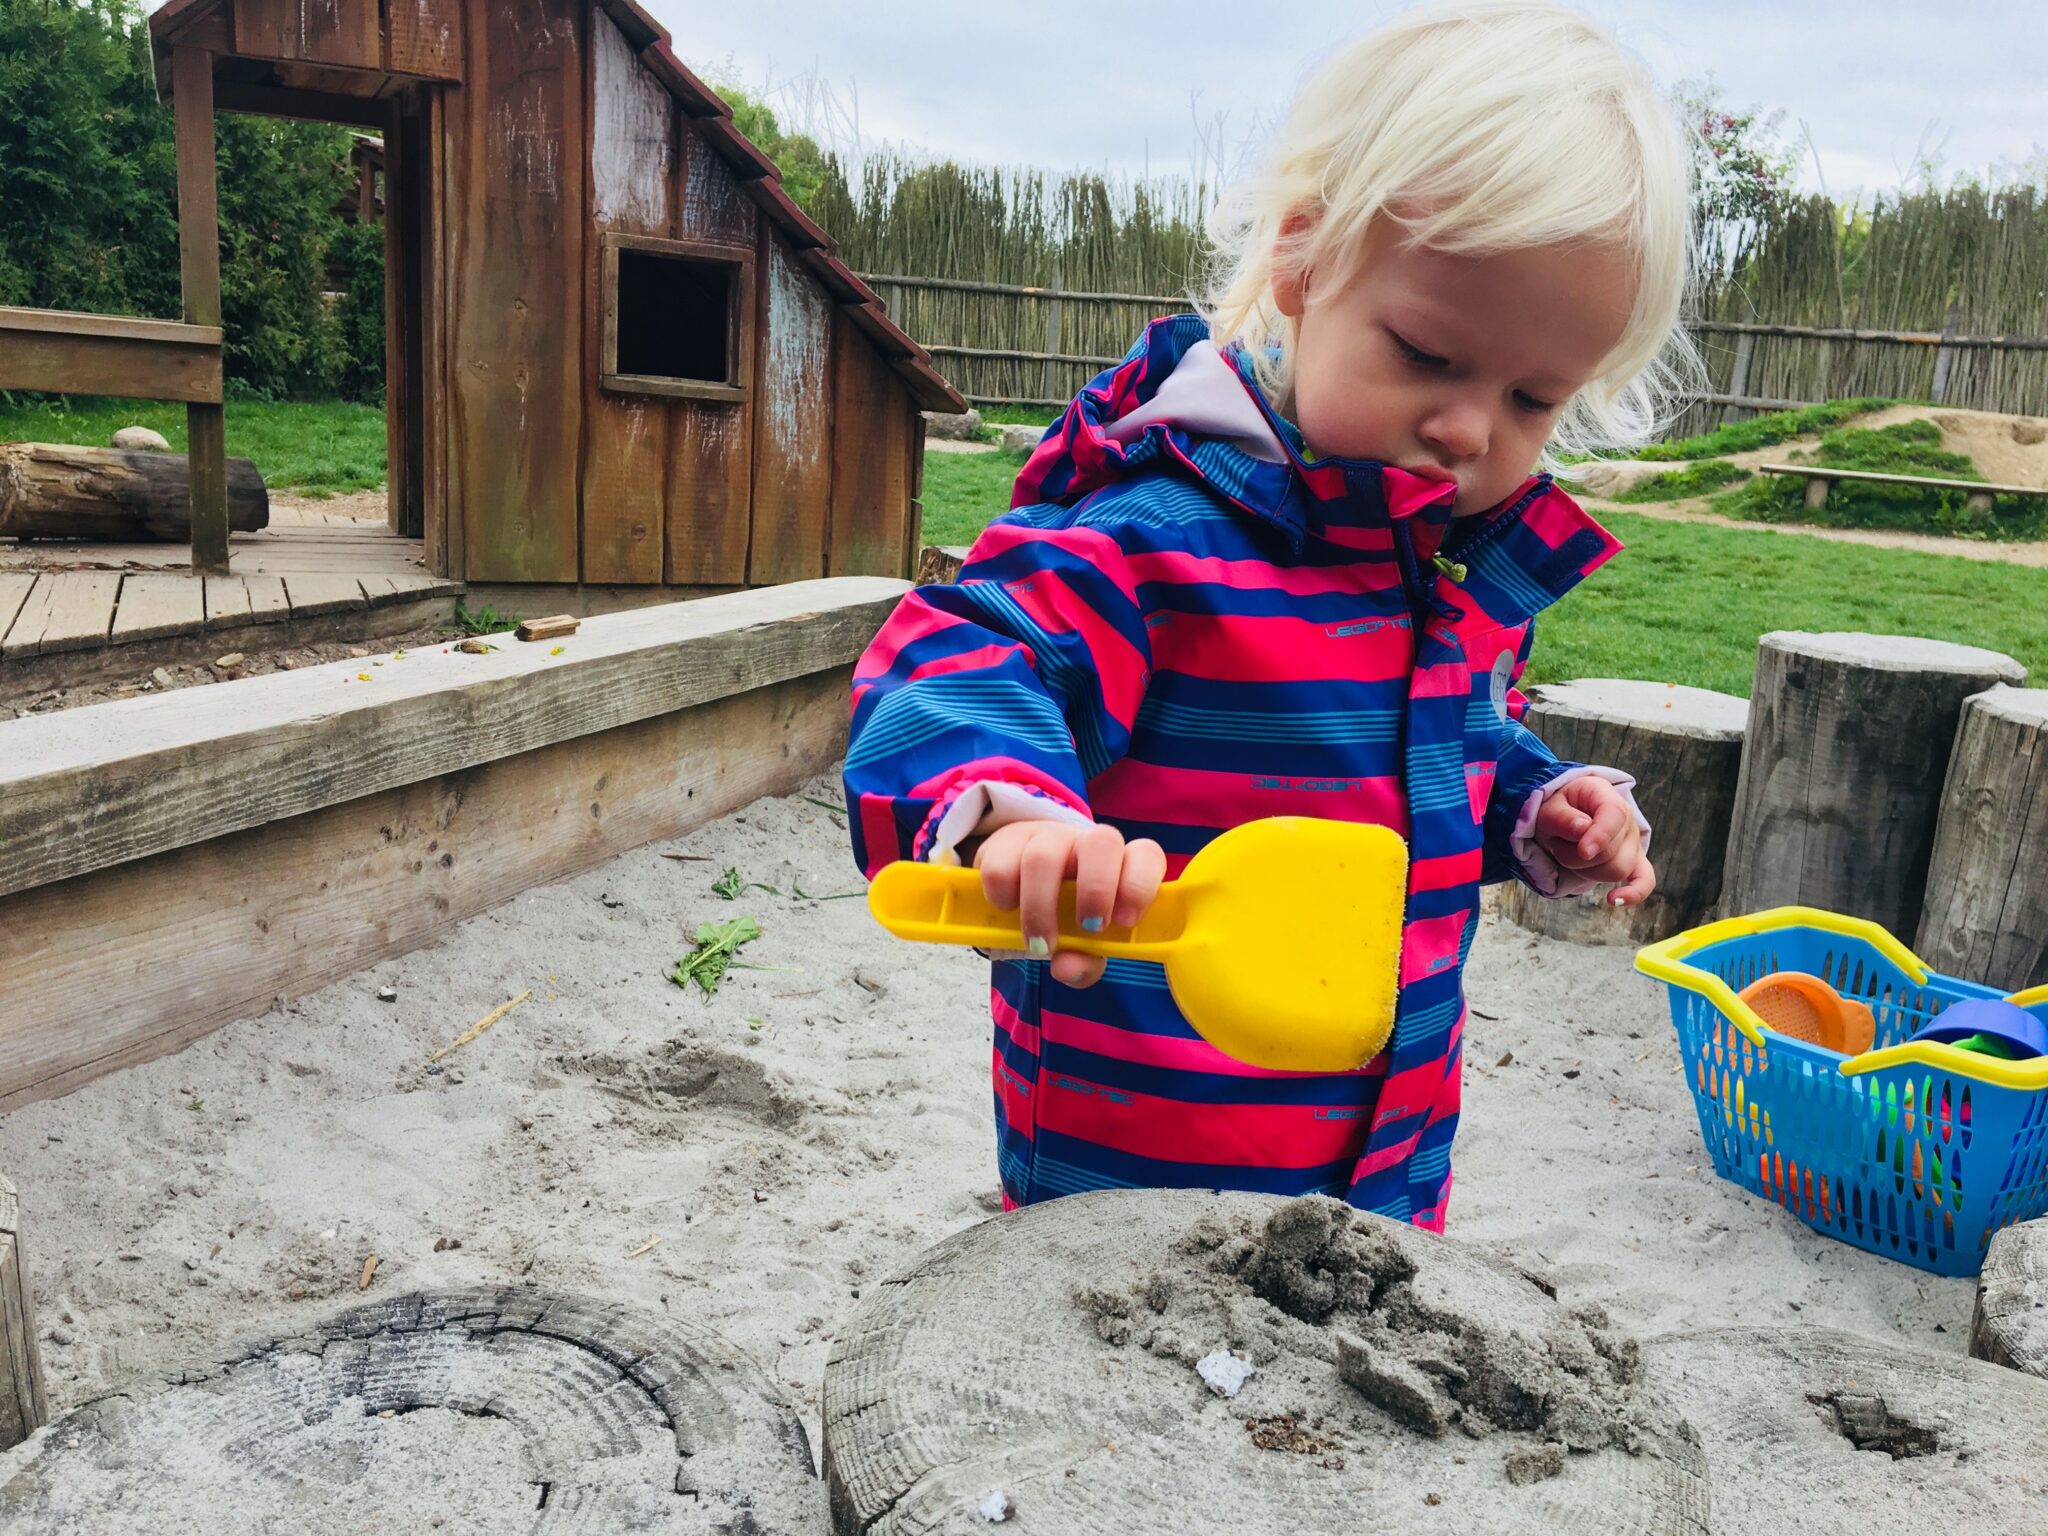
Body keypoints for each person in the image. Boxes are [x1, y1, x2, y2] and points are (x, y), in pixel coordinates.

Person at [843, 0, 1691, 1228]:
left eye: (1529, 397)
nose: (1468, 430)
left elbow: (1438, 739)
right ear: (1301, 260)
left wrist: (1533, 802)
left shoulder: (1437, 577)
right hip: (1128, 1169)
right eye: (1425, 354)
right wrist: (1012, 821)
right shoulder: (1152, 538)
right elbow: (964, 658)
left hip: (1382, 1168)